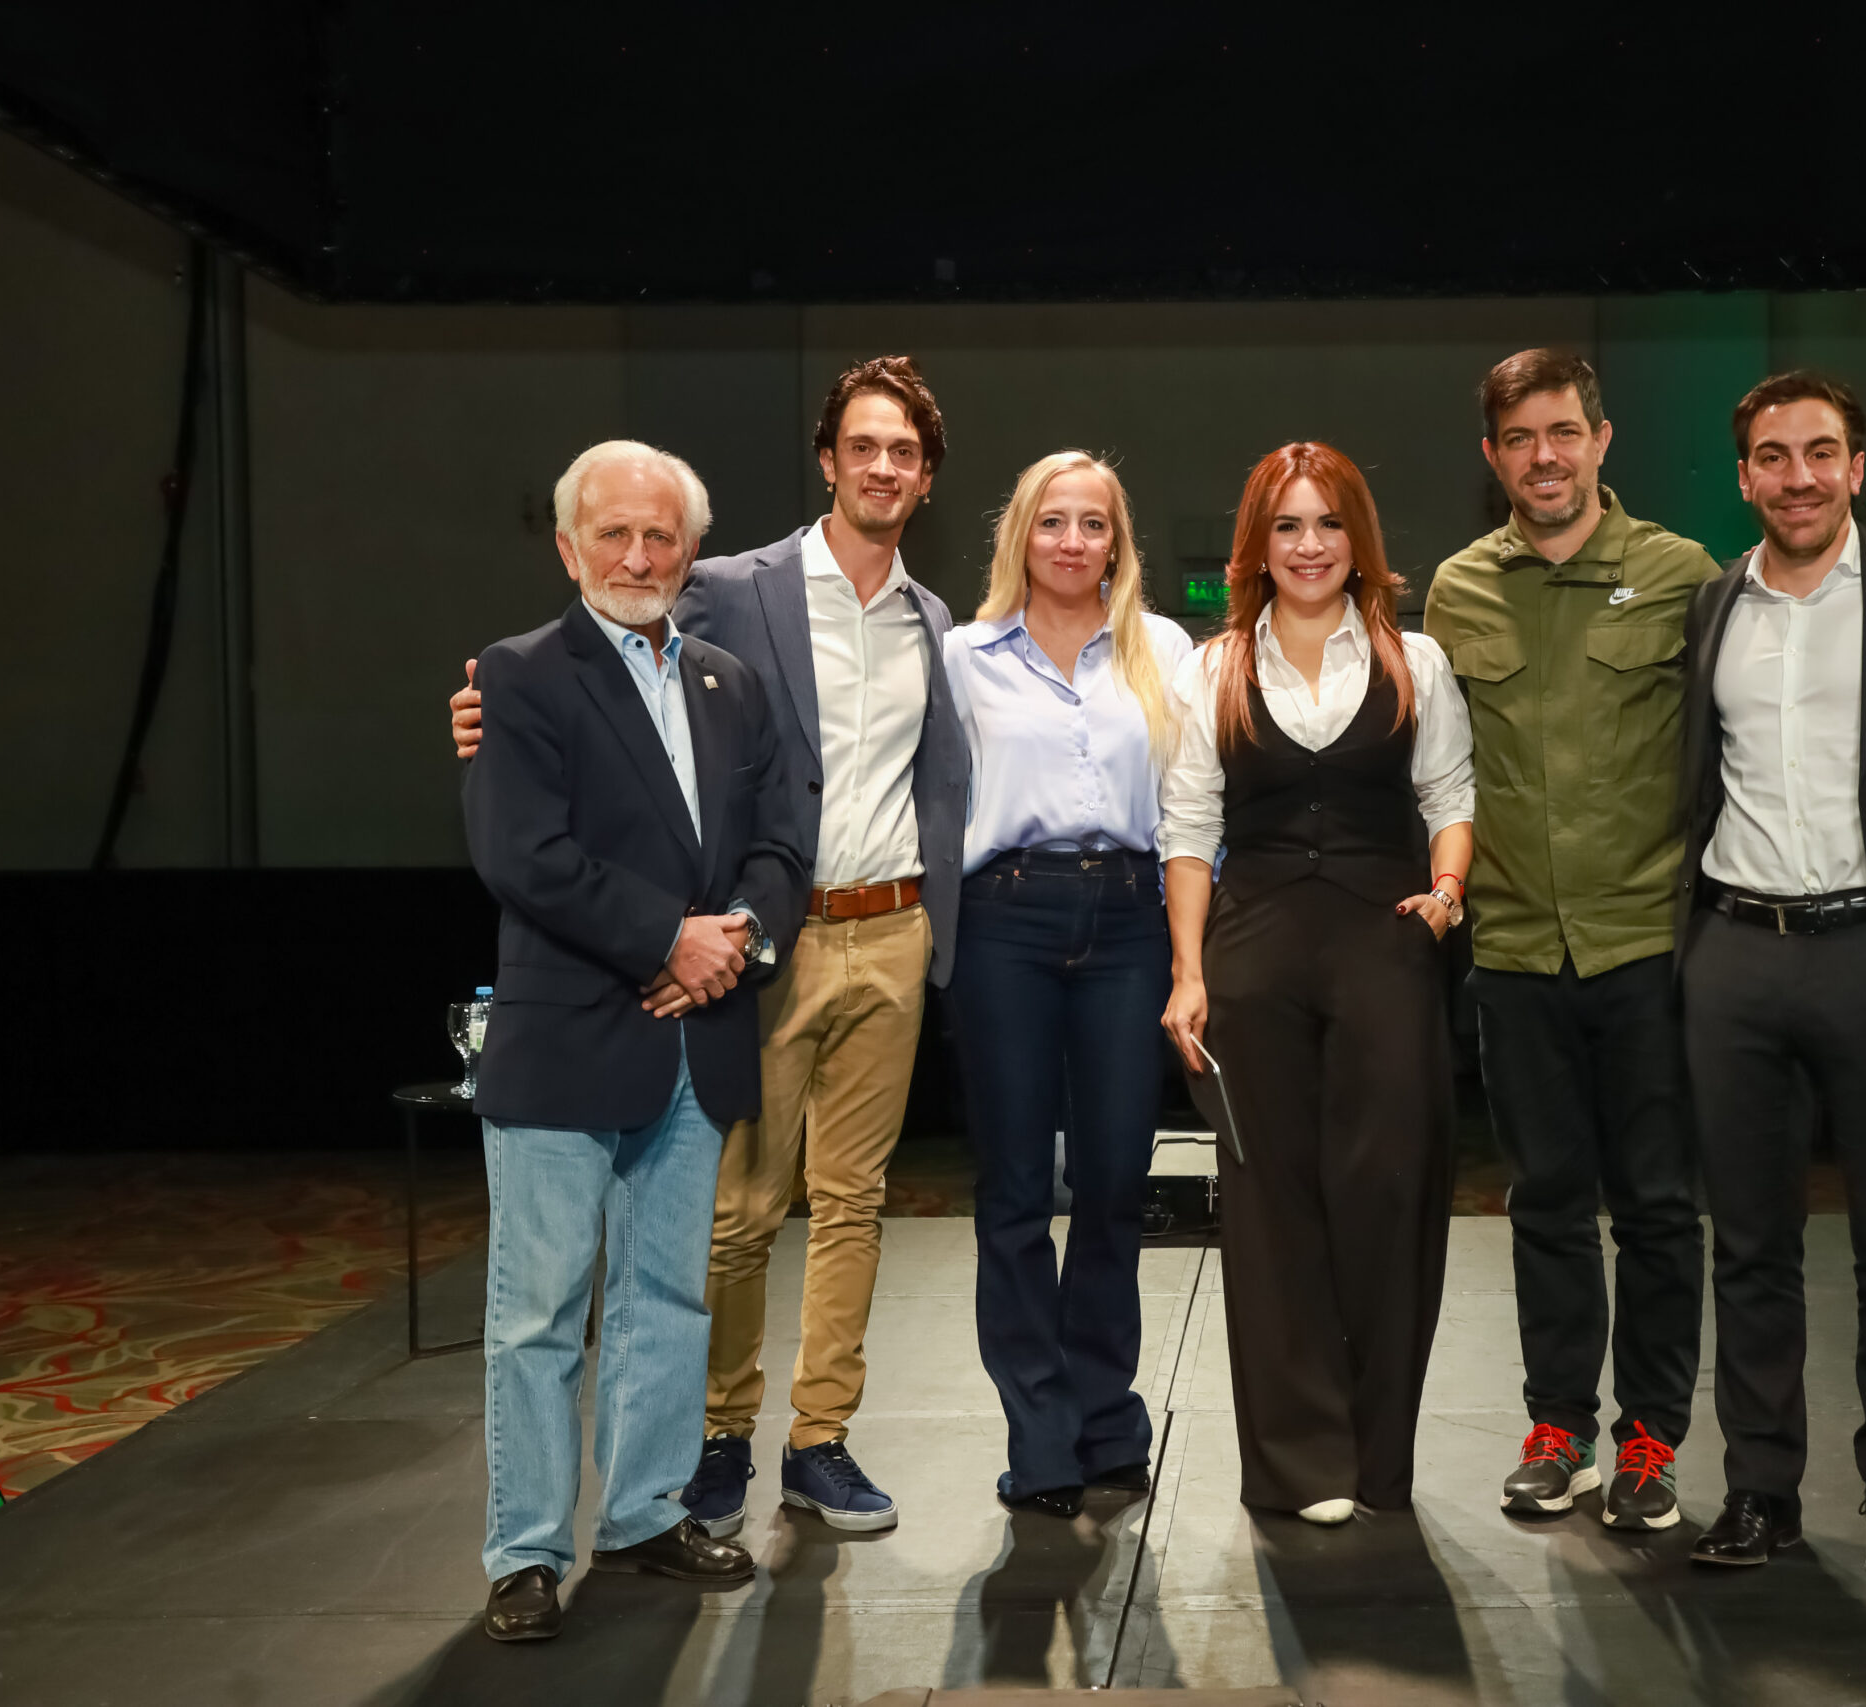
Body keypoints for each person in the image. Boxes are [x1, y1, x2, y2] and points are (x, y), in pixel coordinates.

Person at [451, 357, 970, 1538]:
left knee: (852, 1205)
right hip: (763, 945)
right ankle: (717, 1437)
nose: (882, 467)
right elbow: (603, 679)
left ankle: (819, 1440)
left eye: (903, 452)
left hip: (882, 930)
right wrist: (484, 716)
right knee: (735, 1215)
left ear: (926, 477)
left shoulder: (933, 619)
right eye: (862, 446)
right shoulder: (729, 587)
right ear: (828, 460)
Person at [460, 440, 805, 1642]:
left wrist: (740, 935)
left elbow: (780, 841)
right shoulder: (517, 676)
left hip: (696, 1040)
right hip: (566, 1041)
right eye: (613, 533)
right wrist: (669, 939)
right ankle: (525, 1552)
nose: (638, 555)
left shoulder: (729, 683)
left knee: (667, 1298)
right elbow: (521, 855)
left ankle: (647, 1514)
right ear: (569, 548)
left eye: (661, 535)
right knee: (539, 1315)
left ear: (692, 550)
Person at [1423, 349, 1720, 1529]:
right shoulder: (1456, 591)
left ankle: (1650, 1439)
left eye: (1563, 433)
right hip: (1510, 952)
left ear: (1601, 440)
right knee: (1544, 1201)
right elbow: (1439, 774)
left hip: (1646, 945)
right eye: (1519, 440)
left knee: (1655, 1205)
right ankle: (1559, 1429)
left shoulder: (1680, 575)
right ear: (1491, 457)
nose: (1543, 457)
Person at [1673, 373, 1866, 1570]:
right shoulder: (1713, 605)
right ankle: (1760, 1490)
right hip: (1735, 954)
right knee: (1748, 1246)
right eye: (1772, 456)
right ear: (1744, 476)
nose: (1797, 476)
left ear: (1857, 466)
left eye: (1820, 452)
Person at [1159, 442, 1474, 1525]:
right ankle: (1301, 1463)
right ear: (1258, 544)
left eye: (1328, 523)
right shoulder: (1210, 669)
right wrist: (1188, 972)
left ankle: (1380, 1460)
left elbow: (1451, 795)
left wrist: (1447, 889)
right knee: (1268, 1202)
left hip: (1387, 944)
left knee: (1390, 1193)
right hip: (1253, 952)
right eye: (1287, 526)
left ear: (1359, 540)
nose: (1308, 545)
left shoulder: (1414, 661)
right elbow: (1188, 829)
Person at [943, 451, 1193, 1517]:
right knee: (1013, 1191)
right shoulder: (963, 655)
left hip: (1131, 918)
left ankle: (1106, 1421)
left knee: (1114, 1181)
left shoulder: (1163, 649)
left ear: (1117, 543)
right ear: (1021, 535)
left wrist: (1193, 952)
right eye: (1053, 521)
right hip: (1003, 916)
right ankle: (1040, 1439)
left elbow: (1192, 805)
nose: (1073, 541)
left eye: (1094, 523)